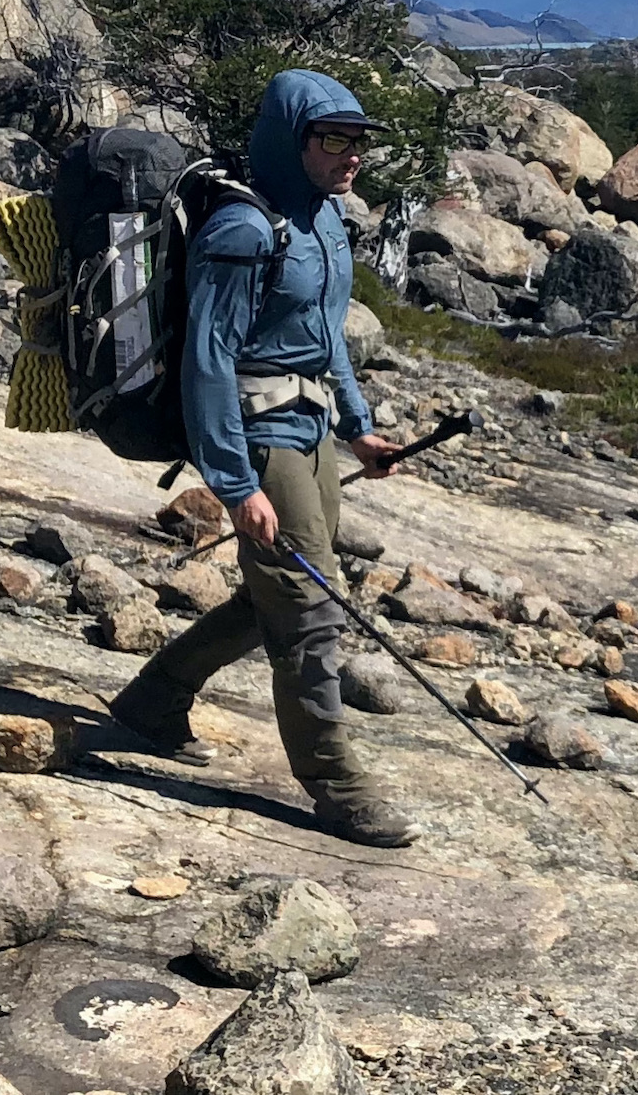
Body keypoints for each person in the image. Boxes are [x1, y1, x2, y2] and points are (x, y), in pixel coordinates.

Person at [108, 68, 417, 848]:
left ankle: (153, 700)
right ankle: (337, 786)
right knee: (309, 606)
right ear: (291, 141)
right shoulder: (244, 231)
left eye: (360, 141)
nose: (352, 155)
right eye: (334, 139)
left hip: (312, 432)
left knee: (271, 595)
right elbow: (207, 362)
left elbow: (327, 335)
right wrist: (235, 482)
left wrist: (358, 427)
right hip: (259, 435)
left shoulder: (326, 221)